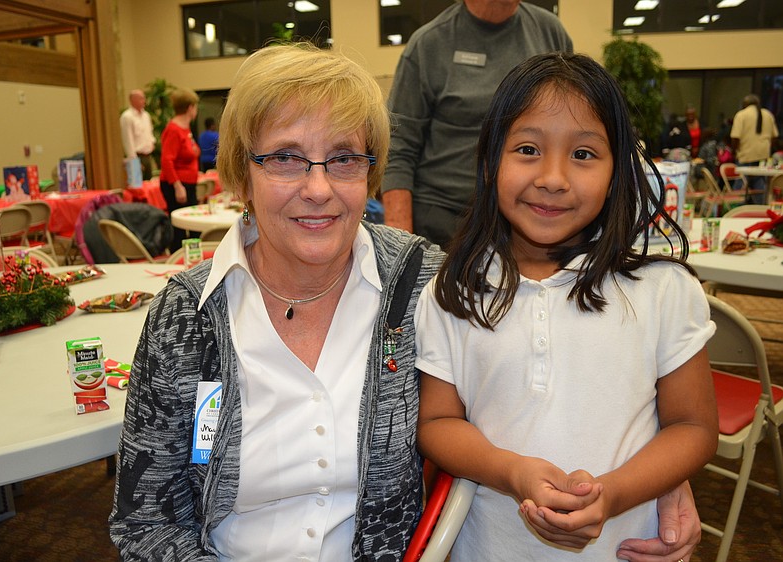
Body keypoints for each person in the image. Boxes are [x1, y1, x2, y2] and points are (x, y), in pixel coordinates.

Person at [109, 44, 703, 562]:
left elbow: (568, 374)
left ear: (371, 171)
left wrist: (659, 478)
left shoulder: (429, 284)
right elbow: (144, 518)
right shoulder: (187, 316)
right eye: (286, 156)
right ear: (241, 171)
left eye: (343, 157)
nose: (318, 187)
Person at [415, 53, 719, 561]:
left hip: (626, 546)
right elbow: (437, 423)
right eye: (528, 149)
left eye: (583, 154)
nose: (553, 178)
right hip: (490, 549)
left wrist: (613, 494)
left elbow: (693, 427)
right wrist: (511, 470)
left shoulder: (660, 289)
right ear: (490, 163)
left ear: (617, 170)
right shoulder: (454, 292)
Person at [381, 0, 572, 248]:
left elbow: (569, 126)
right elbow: (398, 147)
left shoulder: (550, 33)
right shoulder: (428, 44)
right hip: (444, 219)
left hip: (528, 217)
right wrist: (401, 244)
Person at [160, 88, 201, 251]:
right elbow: (166, 160)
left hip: (187, 183)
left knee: (193, 227)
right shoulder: (174, 129)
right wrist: (177, 186)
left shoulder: (185, 128)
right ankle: (177, 261)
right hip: (177, 185)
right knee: (180, 228)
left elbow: (190, 151)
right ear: (190, 108)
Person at [730, 94, 780, 203]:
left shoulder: (742, 115)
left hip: (745, 156)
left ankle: (734, 210)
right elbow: (775, 136)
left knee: (740, 188)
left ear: (745, 104)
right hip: (763, 157)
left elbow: (735, 138)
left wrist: (734, 151)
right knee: (760, 188)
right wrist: (767, 146)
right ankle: (759, 211)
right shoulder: (768, 114)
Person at [120, 89, 156, 181]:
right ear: (133, 100)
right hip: (136, 156)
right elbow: (128, 140)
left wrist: (152, 143)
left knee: (148, 185)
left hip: (147, 156)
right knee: (137, 187)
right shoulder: (127, 117)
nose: (144, 101)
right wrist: (134, 162)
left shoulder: (146, 115)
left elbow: (150, 132)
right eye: (141, 98)